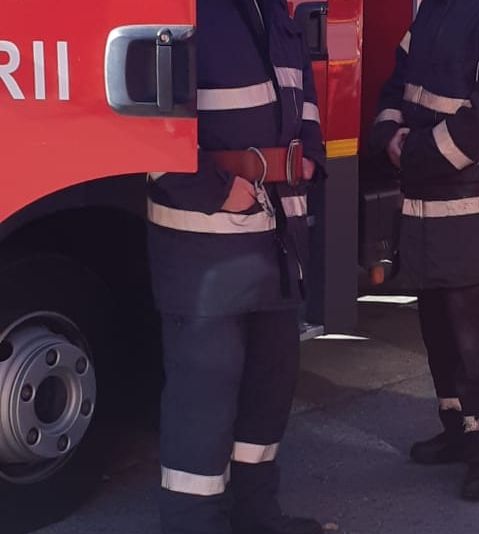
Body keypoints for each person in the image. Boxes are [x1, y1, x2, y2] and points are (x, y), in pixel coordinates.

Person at [145, 0, 325, 532]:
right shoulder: (181, 8)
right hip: (203, 251)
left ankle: (256, 514)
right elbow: (144, 126)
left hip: (277, 239)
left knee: (270, 389)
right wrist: (216, 189)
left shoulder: (275, 11)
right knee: (203, 400)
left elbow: (304, 102)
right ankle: (193, 524)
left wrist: (308, 160)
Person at [371, 0, 479, 501]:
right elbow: (396, 84)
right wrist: (389, 135)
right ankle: (458, 430)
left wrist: (417, 151)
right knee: (440, 330)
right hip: (428, 209)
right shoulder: (435, 10)